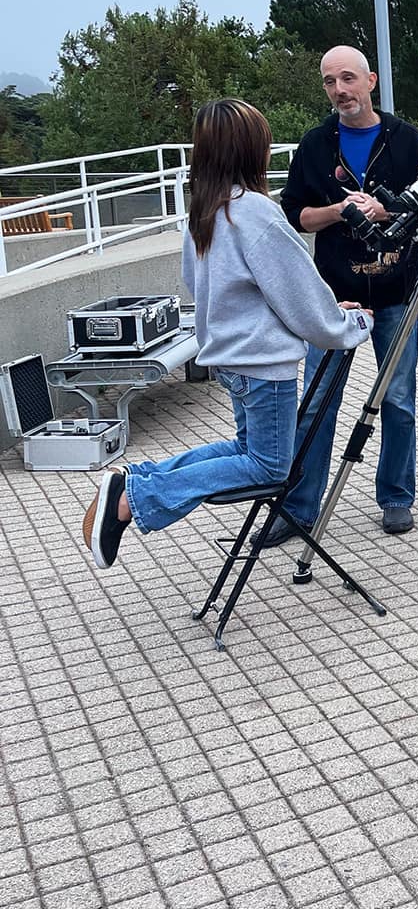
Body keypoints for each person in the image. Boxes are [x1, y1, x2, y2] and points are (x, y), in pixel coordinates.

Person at [82, 99, 374, 569]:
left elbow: (218, 287)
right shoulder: (254, 211)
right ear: (249, 150)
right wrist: (350, 324)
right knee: (268, 467)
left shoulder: (205, 211)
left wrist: (319, 311)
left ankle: (133, 480)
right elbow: (300, 296)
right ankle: (133, 497)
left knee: (245, 451)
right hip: (263, 366)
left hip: (230, 360)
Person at [266, 47, 418, 546]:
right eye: (330, 82)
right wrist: (340, 210)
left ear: (371, 81)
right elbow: (295, 216)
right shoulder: (314, 146)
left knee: (398, 400)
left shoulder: (408, 141)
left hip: (398, 292)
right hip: (332, 298)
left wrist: (384, 212)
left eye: (349, 79)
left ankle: (397, 497)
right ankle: (300, 507)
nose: (340, 90)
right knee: (317, 404)